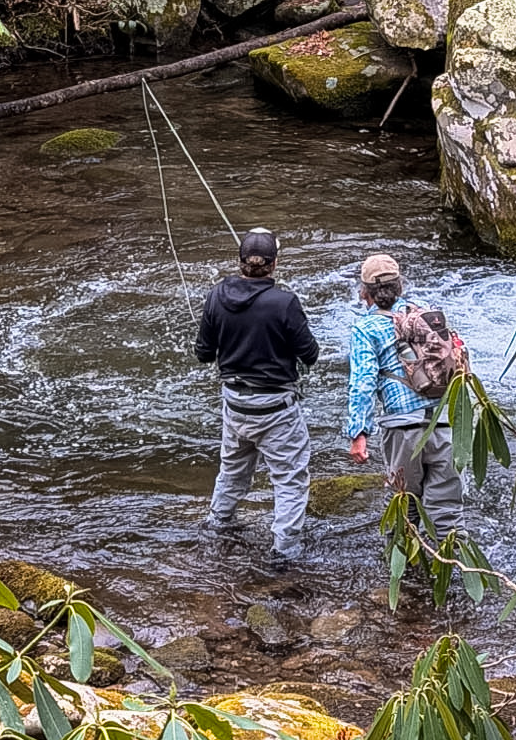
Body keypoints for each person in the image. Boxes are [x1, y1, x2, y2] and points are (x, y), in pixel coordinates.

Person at [195, 227, 320, 566]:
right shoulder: (285, 302)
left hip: (234, 406)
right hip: (277, 409)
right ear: (274, 264)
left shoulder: (215, 296)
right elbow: (310, 354)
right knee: (290, 479)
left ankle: (218, 525)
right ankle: (284, 551)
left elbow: (204, 354)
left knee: (232, 470)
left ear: (240, 263)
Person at [345, 252, 464, 538]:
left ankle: (402, 578)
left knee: (403, 507)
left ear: (365, 293)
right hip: (446, 423)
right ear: (401, 286)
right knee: (447, 512)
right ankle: (451, 573)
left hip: (404, 428)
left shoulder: (365, 328)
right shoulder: (427, 318)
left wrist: (358, 433)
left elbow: (363, 383)